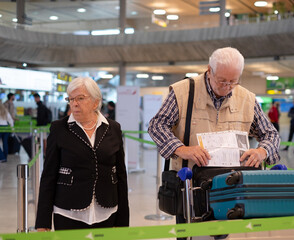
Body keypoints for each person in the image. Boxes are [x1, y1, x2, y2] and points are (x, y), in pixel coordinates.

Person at [148, 47, 280, 229]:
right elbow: (157, 125)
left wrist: (261, 151)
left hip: (232, 188)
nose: (227, 87)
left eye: (233, 82)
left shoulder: (247, 99)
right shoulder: (183, 92)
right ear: (209, 70)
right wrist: (182, 149)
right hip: (191, 187)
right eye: (222, 81)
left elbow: (271, 134)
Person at [35, 77, 129, 231]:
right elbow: (48, 176)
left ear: (95, 102)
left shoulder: (113, 128)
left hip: (107, 211)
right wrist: (42, 222)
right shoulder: (59, 129)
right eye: (71, 99)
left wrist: (123, 220)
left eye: (80, 98)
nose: (74, 103)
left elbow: (121, 175)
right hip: (68, 212)